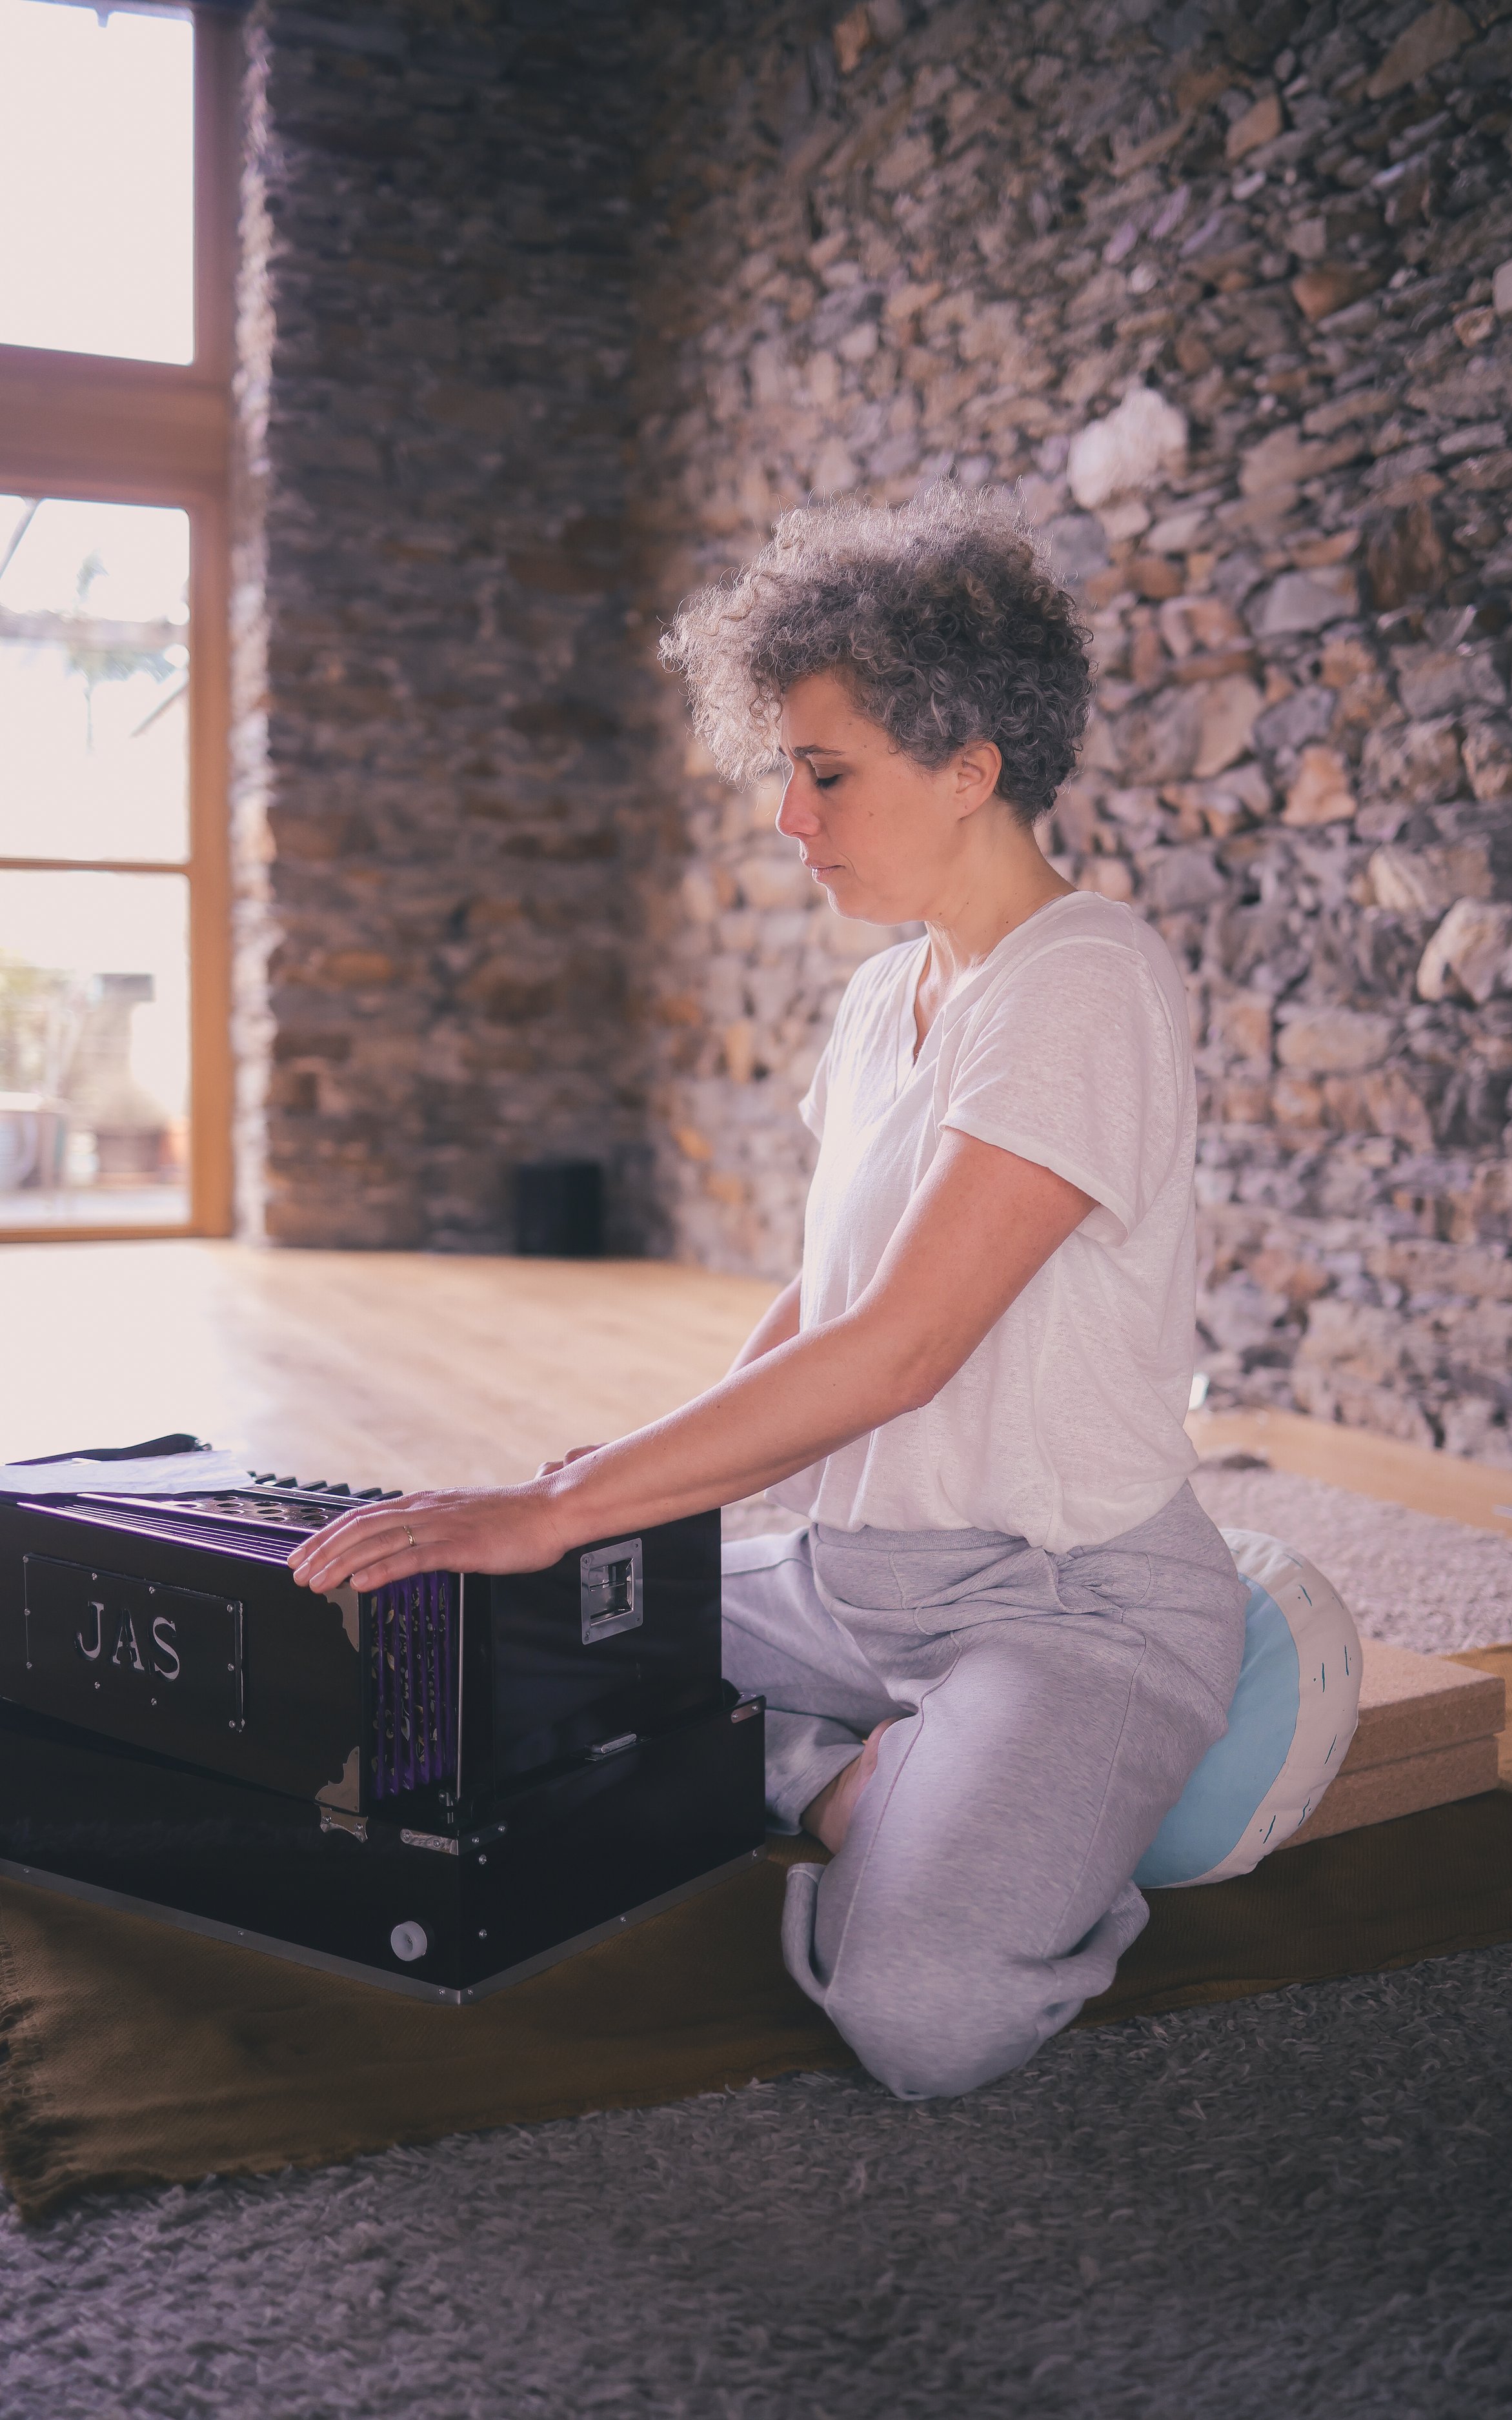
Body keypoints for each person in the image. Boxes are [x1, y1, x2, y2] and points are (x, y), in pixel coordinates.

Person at [291, 485, 1247, 2099]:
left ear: (968, 768)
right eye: (785, 772)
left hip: (1062, 1606)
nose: (791, 818)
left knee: (922, 2014)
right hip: (843, 1586)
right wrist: (624, 1503)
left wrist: (570, 1508)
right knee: (450, 1647)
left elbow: (900, 1348)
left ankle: (1014, 1763)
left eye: (827, 773)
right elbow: (825, 1298)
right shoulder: (881, 1005)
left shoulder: (1085, 980)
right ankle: (835, 1783)